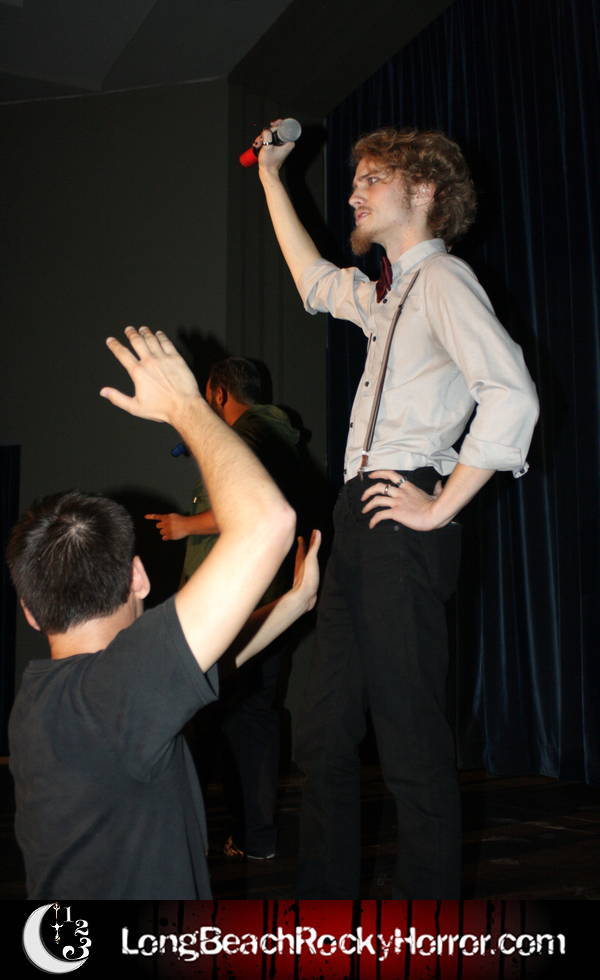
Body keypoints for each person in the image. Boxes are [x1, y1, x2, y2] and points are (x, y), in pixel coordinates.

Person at [253, 123, 539, 898]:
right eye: (355, 180)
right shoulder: (388, 295)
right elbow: (315, 281)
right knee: (323, 736)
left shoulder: (442, 279)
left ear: (425, 191)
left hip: (400, 514)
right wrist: (272, 177)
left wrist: (441, 503)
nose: (354, 192)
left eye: (372, 179)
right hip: (358, 515)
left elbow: (511, 394)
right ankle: (326, 920)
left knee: (410, 742)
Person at [6, 326, 320, 899]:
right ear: (139, 578)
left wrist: (291, 605)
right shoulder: (121, 689)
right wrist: (185, 406)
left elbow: (201, 665)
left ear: (30, 611)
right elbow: (269, 521)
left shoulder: (40, 701)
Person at [145, 356, 307, 861]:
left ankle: (196, 841)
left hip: (237, 604)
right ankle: (254, 837)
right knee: (248, 719)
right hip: (265, 599)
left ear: (218, 394)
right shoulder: (275, 435)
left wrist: (185, 525)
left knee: (213, 718)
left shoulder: (248, 435)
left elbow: (255, 507)